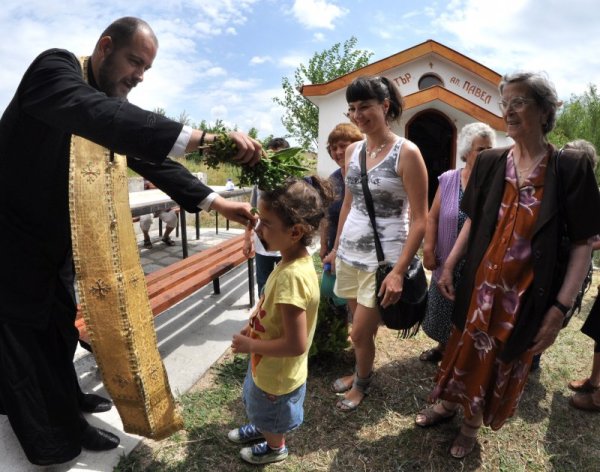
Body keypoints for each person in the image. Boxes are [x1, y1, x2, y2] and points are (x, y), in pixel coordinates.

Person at [0, 17, 261, 466]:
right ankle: (56, 434)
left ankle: (68, 399)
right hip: (11, 242)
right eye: (134, 61)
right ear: (105, 47)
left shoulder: (104, 103)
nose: (139, 75)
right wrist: (208, 141)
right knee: (26, 338)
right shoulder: (55, 72)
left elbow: (145, 154)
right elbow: (98, 116)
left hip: (58, 245)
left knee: (59, 328)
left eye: (147, 68)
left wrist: (218, 203)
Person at [414, 72, 600, 459]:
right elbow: (471, 219)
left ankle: (470, 425)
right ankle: (447, 404)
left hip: (527, 293)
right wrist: (449, 266)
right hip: (479, 286)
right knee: (462, 347)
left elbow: (584, 244)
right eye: (506, 102)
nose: (509, 110)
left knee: (499, 359)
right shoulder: (489, 162)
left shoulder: (570, 168)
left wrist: (559, 309)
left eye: (519, 102)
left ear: (545, 110)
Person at [324, 76, 428, 412]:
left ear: (385, 106)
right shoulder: (354, 150)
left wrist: (399, 271)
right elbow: (349, 204)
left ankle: (362, 385)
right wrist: (337, 246)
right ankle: (359, 371)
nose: (358, 115)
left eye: (365, 106)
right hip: (351, 254)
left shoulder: (406, 153)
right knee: (359, 327)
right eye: (353, 108)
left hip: (382, 260)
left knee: (358, 331)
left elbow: (420, 220)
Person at [229, 176, 334, 465]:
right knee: (259, 405)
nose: (257, 228)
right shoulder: (288, 261)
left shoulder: (291, 278)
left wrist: (251, 343)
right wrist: (252, 328)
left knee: (270, 412)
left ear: (296, 231)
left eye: (265, 223)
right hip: (267, 364)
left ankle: (275, 446)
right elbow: (269, 307)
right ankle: (263, 428)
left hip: (277, 374)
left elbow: (296, 343)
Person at [419, 123, 496, 363]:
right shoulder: (449, 179)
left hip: (478, 262)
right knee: (444, 306)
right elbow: (432, 217)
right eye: (480, 149)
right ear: (466, 152)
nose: (485, 154)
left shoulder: (495, 183)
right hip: (446, 256)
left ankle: (463, 356)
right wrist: (429, 249)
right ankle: (443, 347)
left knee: (472, 310)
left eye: (489, 149)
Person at [319, 123, 363, 312]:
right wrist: (323, 245)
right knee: (338, 300)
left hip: (360, 250)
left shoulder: (367, 176)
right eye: (333, 148)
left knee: (361, 303)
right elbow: (325, 215)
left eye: (343, 146)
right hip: (334, 248)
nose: (338, 152)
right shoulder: (332, 180)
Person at [243, 137, 290, 295]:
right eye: (271, 157)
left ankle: (281, 318)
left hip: (285, 245)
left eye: (279, 157)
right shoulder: (259, 182)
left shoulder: (294, 184)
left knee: (285, 284)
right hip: (262, 245)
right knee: (263, 284)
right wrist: (247, 238)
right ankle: (262, 316)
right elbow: (252, 211)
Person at [140, 179, 178, 248]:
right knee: (145, 219)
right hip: (148, 206)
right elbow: (150, 185)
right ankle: (146, 238)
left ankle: (165, 237)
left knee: (173, 218)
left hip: (162, 206)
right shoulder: (147, 172)